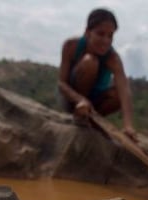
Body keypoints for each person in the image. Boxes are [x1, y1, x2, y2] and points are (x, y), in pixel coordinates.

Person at [58, 8, 136, 140]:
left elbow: (124, 92)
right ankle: (80, 114)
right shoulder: (71, 46)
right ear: (88, 32)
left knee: (118, 93)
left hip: (95, 106)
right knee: (90, 62)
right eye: (100, 34)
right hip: (73, 100)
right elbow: (61, 84)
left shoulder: (113, 59)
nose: (105, 41)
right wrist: (80, 100)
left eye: (110, 36)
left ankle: (92, 119)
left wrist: (128, 126)